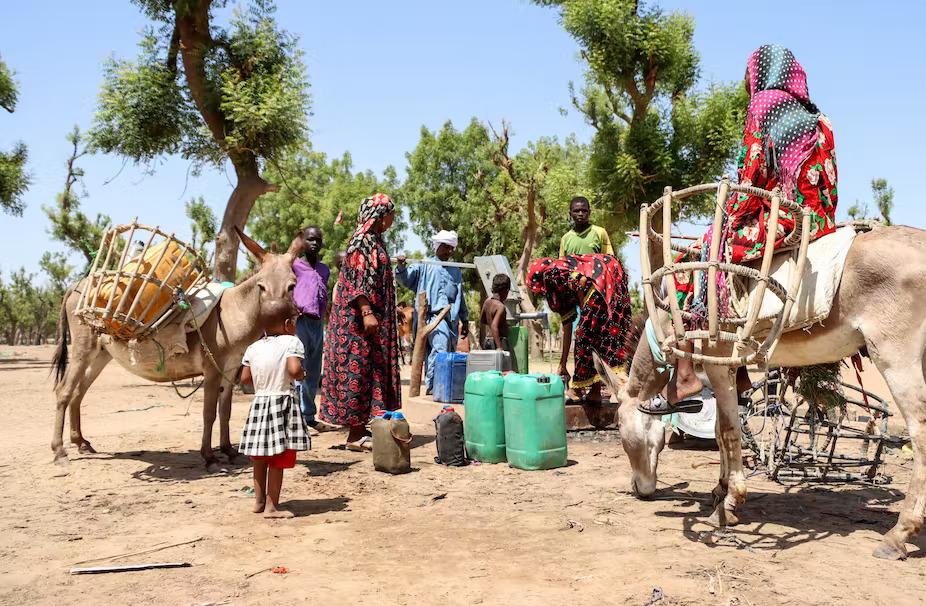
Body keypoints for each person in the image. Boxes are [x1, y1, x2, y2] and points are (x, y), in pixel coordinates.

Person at [640, 44, 839, 416]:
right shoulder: (820, 118)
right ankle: (741, 375)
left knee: (693, 263)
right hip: (820, 218)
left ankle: (684, 374)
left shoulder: (765, 106)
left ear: (762, 75)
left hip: (785, 217)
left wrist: (725, 217)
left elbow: (751, 181)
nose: (748, 84)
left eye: (750, 76)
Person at [320, 194, 402, 451]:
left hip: (369, 324)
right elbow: (357, 281)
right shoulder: (362, 242)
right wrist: (367, 311)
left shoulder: (374, 241)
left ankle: (363, 428)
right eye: (390, 214)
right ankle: (355, 435)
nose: (392, 219)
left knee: (369, 371)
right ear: (381, 216)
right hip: (356, 324)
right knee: (357, 370)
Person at [528, 255, 632, 403]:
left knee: (584, 336)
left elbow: (580, 280)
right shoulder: (561, 280)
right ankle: (594, 392)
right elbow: (567, 325)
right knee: (601, 338)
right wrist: (562, 364)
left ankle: (579, 390)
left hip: (599, 285)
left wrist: (585, 312)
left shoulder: (551, 274)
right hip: (611, 280)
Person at [239, 315, 310, 519]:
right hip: (282, 403)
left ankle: (259, 502)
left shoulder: (253, 347)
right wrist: (302, 375)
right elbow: (294, 369)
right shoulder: (291, 341)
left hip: (260, 403)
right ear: (288, 324)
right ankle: (272, 507)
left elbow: (245, 378)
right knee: (278, 457)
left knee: (260, 457)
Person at [396, 230, 469, 395]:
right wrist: (401, 267)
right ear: (437, 246)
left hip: (451, 319)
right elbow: (405, 279)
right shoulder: (424, 265)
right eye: (445, 247)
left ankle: (439, 387)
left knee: (443, 354)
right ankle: (434, 387)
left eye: (451, 248)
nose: (449, 251)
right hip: (431, 318)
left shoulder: (455, 270)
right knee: (439, 350)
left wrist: (464, 320)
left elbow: (460, 296)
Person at [291, 226, 340, 434]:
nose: (314, 243)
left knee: (313, 371)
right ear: (302, 242)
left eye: (318, 240)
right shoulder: (294, 266)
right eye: (310, 239)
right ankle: (297, 419)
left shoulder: (324, 269)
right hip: (299, 322)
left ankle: (309, 417)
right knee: (297, 369)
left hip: (318, 323)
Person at [480, 274, 510, 351]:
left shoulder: (487, 301)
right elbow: (494, 326)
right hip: (498, 342)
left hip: (488, 341)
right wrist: (499, 347)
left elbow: (483, 320)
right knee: (502, 363)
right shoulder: (500, 307)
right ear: (506, 290)